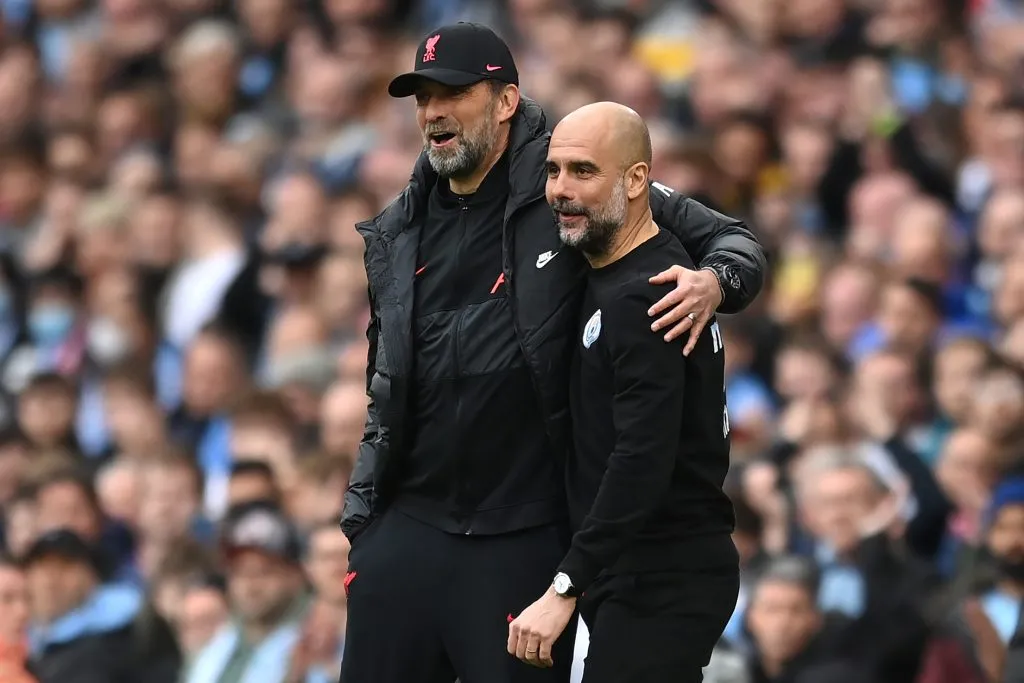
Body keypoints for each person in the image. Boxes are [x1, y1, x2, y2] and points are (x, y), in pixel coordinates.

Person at [340, 22, 766, 683]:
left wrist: (715, 281)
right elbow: (385, 377)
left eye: (452, 93)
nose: (434, 113)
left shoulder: (569, 181)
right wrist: (363, 521)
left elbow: (732, 239)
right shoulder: (401, 225)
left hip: (522, 530)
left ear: (505, 101)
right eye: (423, 99)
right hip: (410, 522)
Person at [506, 102, 738, 682]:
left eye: (584, 171)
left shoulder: (646, 294)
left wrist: (565, 586)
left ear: (637, 180)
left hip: (663, 574)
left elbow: (642, 457)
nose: (561, 189)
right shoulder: (614, 270)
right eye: (554, 171)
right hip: (642, 571)